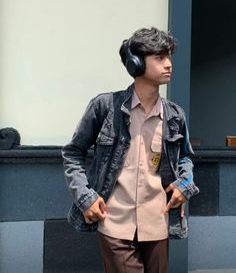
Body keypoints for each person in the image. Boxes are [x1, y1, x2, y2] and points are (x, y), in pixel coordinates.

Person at [62, 27, 199, 273]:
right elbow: (72, 153)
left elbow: (186, 158)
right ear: (135, 64)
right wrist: (86, 197)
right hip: (114, 224)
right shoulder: (105, 107)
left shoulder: (175, 115)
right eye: (160, 58)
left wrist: (184, 185)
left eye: (169, 57)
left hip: (158, 224)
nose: (169, 64)